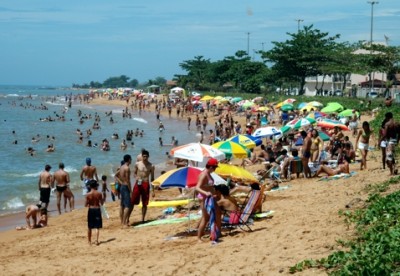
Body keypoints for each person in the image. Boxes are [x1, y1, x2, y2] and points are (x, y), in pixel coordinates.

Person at [195, 158, 221, 242]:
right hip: (203, 198)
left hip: (210, 198)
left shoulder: (209, 173)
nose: (215, 169)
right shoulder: (204, 174)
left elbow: (208, 186)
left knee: (215, 213)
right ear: (210, 167)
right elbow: (197, 187)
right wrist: (206, 193)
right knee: (205, 217)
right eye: (215, 167)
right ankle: (199, 237)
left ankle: (216, 232)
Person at [132, 150, 155, 223]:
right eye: (143, 156)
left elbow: (152, 178)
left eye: (146, 156)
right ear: (142, 156)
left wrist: (153, 190)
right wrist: (136, 177)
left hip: (145, 183)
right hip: (138, 183)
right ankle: (127, 218)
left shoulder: (151, 166)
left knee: (145, 203)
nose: (145, 158)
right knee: (133, 201)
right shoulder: (137, 164)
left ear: (148, 157)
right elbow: (134, 173)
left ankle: (142, 219)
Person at [115, 155, 133, 227]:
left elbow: (116, 175)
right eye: (130, 159)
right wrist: (131, 191)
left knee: (122, 205)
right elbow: (128, 180)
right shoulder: (127, 168)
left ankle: (122, 221)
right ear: (129, 160)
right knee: (127, 206)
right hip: (125, 186)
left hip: (122, 186)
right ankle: (124, 223)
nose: (131, 160)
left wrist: (120, 182)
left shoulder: (121, 167)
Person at [84, 180, 104, 246]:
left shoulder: (88, 194)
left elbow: (85, 204)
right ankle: (96, 240)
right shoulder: (99, 193)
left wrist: (89, 203)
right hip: (97, 209)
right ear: (96, 185)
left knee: (89, 226)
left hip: (91, 209)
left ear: (90, 186)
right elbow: (102, 203)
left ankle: (89, 241)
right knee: (97, 226)